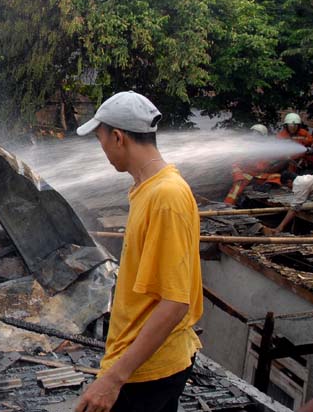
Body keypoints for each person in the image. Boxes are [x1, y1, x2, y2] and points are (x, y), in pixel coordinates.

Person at [74, 91, 203, 412]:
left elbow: (174, 302)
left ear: (118, 137)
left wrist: (113, 379)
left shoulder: (166, 197)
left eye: (100, 140)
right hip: (143, 364)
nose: (101, 149)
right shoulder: (147, 189)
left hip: (146, 372)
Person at [266, 170, 313, 235]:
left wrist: (280, 228)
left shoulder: (299, 184)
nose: (289, 188)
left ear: (289, 181)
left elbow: (294, 209)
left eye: (287, 186)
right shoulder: (302, 180)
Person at [224, 125, 281, 205]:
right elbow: (235, 163)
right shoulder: (245, 147)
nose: (254, 137)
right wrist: (238, 176)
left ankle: (266, 185)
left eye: (257, 135)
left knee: (277, 176)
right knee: (237, 189)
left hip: (259, 175)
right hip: (246, 174)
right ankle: (227, 206)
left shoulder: (267, 149)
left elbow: (266, 166)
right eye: (253, 134)